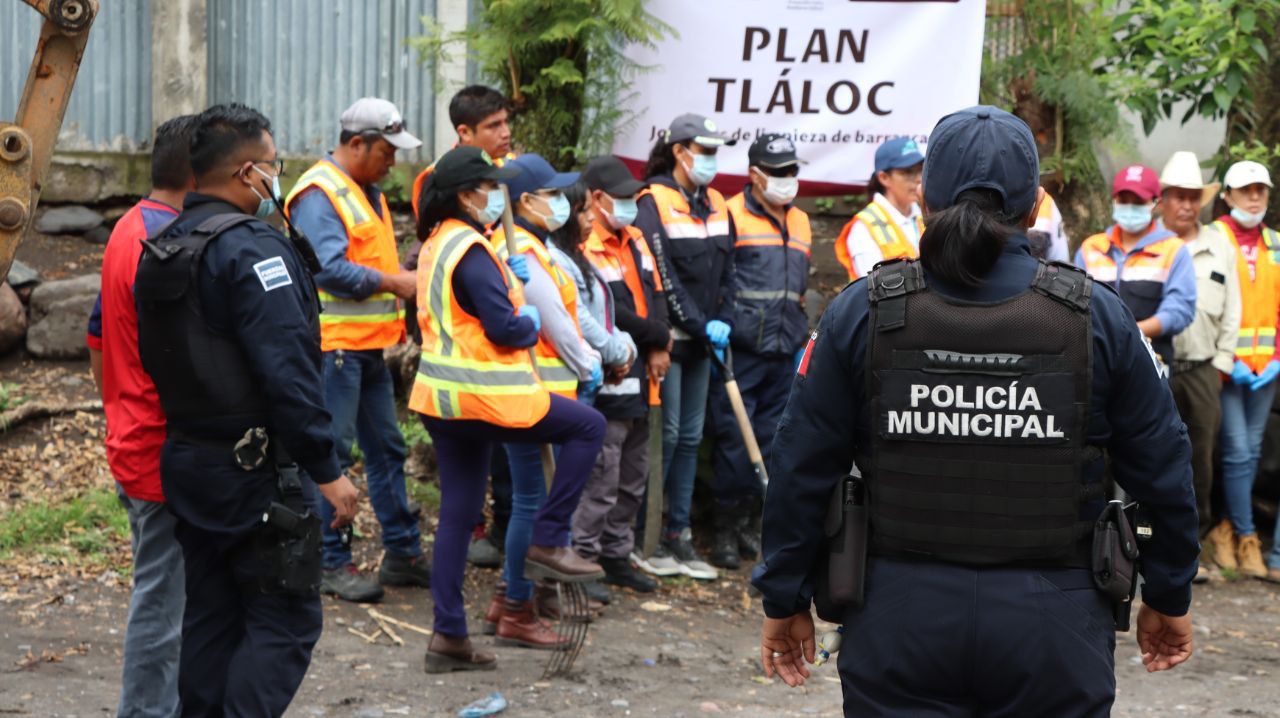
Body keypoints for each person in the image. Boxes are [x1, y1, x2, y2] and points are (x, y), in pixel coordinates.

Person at [754, 106, 1198, 716]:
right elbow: (1164, 465)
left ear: (927, 198)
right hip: (1054, 628)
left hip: (898, 622)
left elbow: (800, 464)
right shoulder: (1097, 317)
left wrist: (784, 598)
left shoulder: (862, 311)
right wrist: (1169, 594)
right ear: (1037, 205)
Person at [133, 103, 360, 715]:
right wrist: (327, 468)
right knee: (285, 621)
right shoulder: (252, 249)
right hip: (253, 475)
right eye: (274, 166)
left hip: (188, 462)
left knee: (212, 616)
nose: (276, 179)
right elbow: (287, 370)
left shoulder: (161, 246)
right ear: (248, 174)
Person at [411, 146, 605, 672]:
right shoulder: (472, 250)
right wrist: (527, 319)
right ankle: (547, 538)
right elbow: (506, 326)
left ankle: (448, 637)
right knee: (589, 428)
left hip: (442, 399)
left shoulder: (440, 243)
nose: (497, 194)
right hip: (485, 397)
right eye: (488, 186)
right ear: (465, 194)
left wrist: (511, 288)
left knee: (456, 514)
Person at [285, 97, 429, 603]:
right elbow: (327, 268)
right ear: (355, 144)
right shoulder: (321, 193)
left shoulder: (369, 192)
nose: (394, 160)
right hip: (336, 351)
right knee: (333, 455)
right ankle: (330, 560)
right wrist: (396, 283)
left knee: (387, 448)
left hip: (368, 351)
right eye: (386, 150)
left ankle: (403, 552)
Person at [85, 114, 196, 718]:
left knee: (169, 597)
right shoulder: (171, 245)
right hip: (162, 453)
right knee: (161, 606)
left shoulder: (130, 228)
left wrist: (118, 411)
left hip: (134, 439)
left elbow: (98, 339)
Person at [487, 153, 605, 647]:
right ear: (526, 202)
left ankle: (510, 597)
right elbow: (554, 321)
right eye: (551, 194)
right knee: (533, 501)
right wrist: (590, 364)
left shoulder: (533, 247)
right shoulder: (524, 254)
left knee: (527, 499)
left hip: (538, 387)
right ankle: (519, 600)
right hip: (533, 388)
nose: (560, 202)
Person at [407, 85, 518, 569]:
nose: (505, 132)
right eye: (493, 125)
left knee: (508, 460)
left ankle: (502, 531)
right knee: (469, 462)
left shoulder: (509, 171)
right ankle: (478, 531)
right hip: (468, 341)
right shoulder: (439, 180)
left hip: (503, 343)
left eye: (506, 122)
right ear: (465, 132)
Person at [633, 113, 737, 581]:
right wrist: (697, 323)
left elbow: (731, 268)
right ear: (680, 151)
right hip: (671, 340)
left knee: (693, 438)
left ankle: (680, 534)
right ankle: (647, 533)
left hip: (706, 342)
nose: (711, 160)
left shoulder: (716, 200)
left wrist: (724, 320)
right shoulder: (651, 201)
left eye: (716, 151)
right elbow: (661, 276)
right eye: (705, 150)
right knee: (668, 435)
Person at [569, 155, 673, 598]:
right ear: (597, 198)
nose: (631, 204)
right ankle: (584, 559)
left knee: (632, 479)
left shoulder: (635, 239)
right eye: (624, 197)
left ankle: (616, 555)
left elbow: (658, 295)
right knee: (601, 480)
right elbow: (616, 315)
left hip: (643, 380)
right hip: (609, 382)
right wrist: (660, 337)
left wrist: (660, 344)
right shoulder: (587, 247)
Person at [708, 134, 811, 570]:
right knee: (734, 442)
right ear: (755, 174)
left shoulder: (802, 220)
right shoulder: (730, 215)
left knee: (772, 441)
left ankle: (751, 521)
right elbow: (718, 277)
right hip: (741, 350)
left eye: (793, 170)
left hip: (783, 350)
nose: (789, 179)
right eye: (780, 172)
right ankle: (724, 530)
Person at [1158, 150, 1241, 583]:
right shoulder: (1152, 245)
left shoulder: (1219, 244)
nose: (1187, 205)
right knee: (1149, 456)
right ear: (1164, 200)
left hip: (1204, 370)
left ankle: (1194, 549)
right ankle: (1146, 545)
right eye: (1178, 196)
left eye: (1194, 197)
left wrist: (1223, 362)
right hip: (1154, 370)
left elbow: (1233, 308)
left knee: (1201, 461)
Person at [1203, 160, 1278, 581]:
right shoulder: (1215, 238)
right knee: (1236, 451)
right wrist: (1224, 358)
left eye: (1261, 190)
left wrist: (1277, 358)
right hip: (1227, 366)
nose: (1254, 197)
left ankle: (1230, 529)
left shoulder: (1276, 243)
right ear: (1227, 196)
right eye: (1245, 190)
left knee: (1250, 452)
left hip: (1265, 367)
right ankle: (1246, 535)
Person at [1075, 165, 1197, 367]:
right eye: (1124, 200)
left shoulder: (1173, 249)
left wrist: (1132, 331)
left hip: (1151, 358)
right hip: (1096, 357)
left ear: (1155, 204)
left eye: (1138, 201)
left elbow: (1180, 309)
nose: (1130, 207)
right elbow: (1075, 302)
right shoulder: (1091, 248)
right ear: (1114, 201)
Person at [834, 137, 925, 280]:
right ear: (884, 178)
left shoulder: (925, 216)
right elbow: (874, 289)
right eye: (908, 172)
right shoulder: (864, 227)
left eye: (921, 171)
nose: (919, 179)